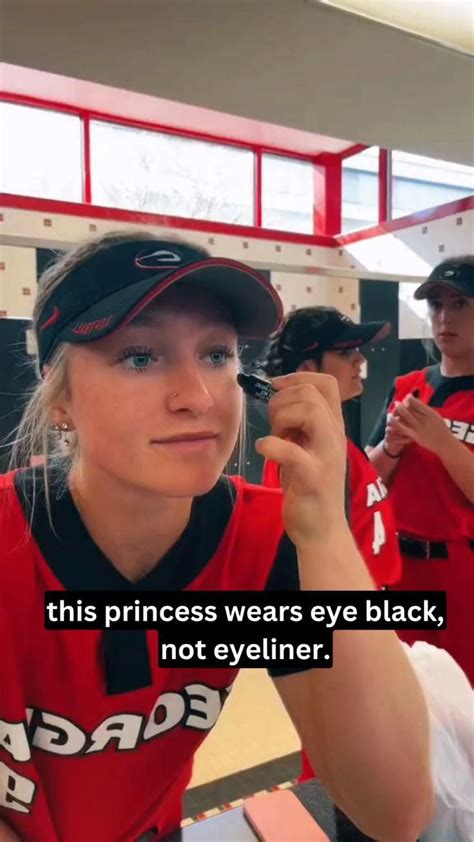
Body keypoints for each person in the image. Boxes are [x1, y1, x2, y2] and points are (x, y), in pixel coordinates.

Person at [0, 232, 432, 842]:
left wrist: (325, 532)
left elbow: (393, 812)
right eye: (139, 357)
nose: (199, 397)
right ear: (59, 396)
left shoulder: (259, 544)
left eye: (216, 354)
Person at [260, 306, 403, 783]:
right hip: (345, 634)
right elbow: (303, 568)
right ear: (308, 368)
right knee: (346, 762)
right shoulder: (303, 453)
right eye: (346, 353)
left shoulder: (333, 441)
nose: (360, 360)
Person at [367, 257, 474, 684]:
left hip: (461, 570)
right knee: (401, 689)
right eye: (436, 305)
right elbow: (368, 481)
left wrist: (442, 443)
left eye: (460, 304)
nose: (445, 318)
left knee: (463, 697)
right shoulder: (407, 386)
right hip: (398, 566)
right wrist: (391, 448)